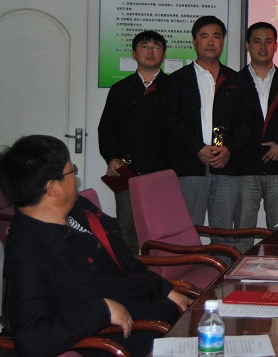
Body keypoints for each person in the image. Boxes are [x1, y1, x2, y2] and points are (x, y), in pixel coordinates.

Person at [0, 135, 191, 357]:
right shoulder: (27, 251)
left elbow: (124, 261)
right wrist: (101, 310)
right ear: (52, 188)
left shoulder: (79, 209)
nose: (76, 177)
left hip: (159, 313)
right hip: (135, 338)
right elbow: (32, 338)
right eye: (71, 171)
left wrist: (164, 289)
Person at [165, 16, 249, 252]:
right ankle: (190, 274)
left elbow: (246, 122)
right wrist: (198, 148)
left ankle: (222, 273)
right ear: (194, 42)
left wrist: (230, 149)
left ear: (222, 42)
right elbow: (172, 122)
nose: (211, 42)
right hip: (190, 166)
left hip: (227, 167)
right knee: (187, 231)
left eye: (216, 36)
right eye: (204, 36)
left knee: (224, 233)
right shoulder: (178, 80)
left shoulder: (236, 80)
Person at [98, 30, 170, 254]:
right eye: (144, 46)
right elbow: (106, 129)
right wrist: (111, 158)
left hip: (163, 174)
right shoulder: (121, 89)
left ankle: (159, 274)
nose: (150, 51)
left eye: (156, 47)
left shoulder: (174, 88)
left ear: (163, 54)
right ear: (133, 53)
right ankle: (130, 274)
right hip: (127, 172)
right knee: (128, 233)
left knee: (161, 233)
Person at [234, 22, 278, 252]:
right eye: (257, 41)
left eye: (268, 41)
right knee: (242, 232)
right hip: (244, 169)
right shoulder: (234, 81)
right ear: (247, 45)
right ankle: (239, 273)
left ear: (275, 46)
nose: (263, 46)